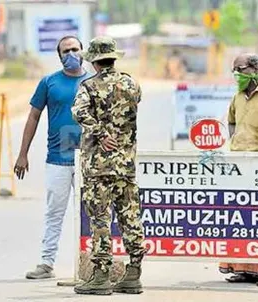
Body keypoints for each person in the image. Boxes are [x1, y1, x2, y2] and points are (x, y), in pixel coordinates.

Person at [71, 37, 145, 295]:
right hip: (125, 165)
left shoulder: (88, 86)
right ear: (114, 58)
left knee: (101, 219)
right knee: (130, 216)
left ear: (93, 60)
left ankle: (101, 276)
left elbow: (79, 112)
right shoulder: (131, 83)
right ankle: (134, 272)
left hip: (98, 166)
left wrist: (100, 133)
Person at [15, 35, 92, 280]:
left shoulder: (94, 81)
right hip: (58, 159)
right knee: (54, 213)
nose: (71, 54)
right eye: (66, 50)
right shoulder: (49, 83)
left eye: (75, 49)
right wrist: (23, 154)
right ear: (59, 56)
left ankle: (94, 264)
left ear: (83, 51)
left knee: (92, 213)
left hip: (89, 159)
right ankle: (46, 263)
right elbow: (33, 117)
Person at [220, 53, 258, 287]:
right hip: (239, 166)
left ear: (255, 70)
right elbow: (231, 121)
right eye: (233, 69)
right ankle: (244, 268)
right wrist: (236, 141)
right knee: (240, 218)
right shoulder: (237, 97)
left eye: (240, 69)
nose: (236, 74)